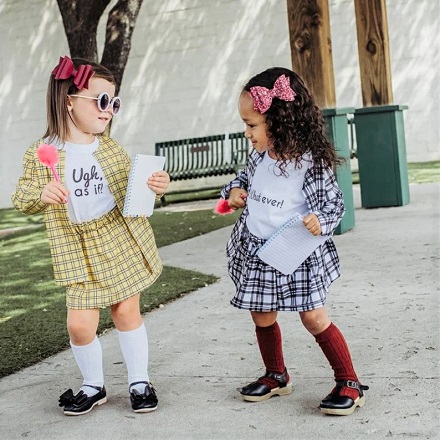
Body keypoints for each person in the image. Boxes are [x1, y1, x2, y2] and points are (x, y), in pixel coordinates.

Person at [11, 55, 170, 416]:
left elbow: (134, 191)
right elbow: (21, 197)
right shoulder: (42, 154)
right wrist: (41, 195)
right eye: (101, 101)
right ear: (69, 101)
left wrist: (156, 186)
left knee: (126, 310)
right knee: (80, 324)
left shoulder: (110, 148)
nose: (109, 110)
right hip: (75, 246)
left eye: (114, 102)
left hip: (117, 237)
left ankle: (139, 381)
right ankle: (93, 385)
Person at [220, 67, 368, 416]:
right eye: (246, 124)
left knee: (314, 317)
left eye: (252, 125)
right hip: (256, 248)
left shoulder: (310, 162)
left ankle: (349, 381)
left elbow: (334, 205)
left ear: (281, 121)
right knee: (262, 314)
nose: (247, 132)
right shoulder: (259, 155)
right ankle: (276, 375)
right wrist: (236, 191)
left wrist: (321, 220)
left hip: (295, 254)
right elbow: (243, 179)